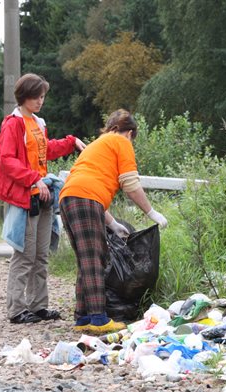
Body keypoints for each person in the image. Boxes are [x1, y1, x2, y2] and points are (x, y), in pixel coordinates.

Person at [0, 73, 86, 324]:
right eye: (36, 96)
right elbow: (7, 160)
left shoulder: (37, 123)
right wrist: (33, 178)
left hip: (42, 196)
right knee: (24, 255)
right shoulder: (13, 123)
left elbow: (46, 150)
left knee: (41, 254)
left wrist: (71, 142)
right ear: (24, 96)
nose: (40, 101)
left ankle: (38, 305)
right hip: (24, 197)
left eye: (42, 96)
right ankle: (16, 309)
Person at [59, 109, 168, 335]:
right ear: (127, 132)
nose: (131, 142)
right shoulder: (121, 142)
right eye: (132, 137)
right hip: (85, 198)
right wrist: (151, 212)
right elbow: (130, 184)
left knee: (86, 258)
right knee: (96, 259)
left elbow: (93, 183)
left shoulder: (98, 145)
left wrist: (111, 223)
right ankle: (99, 319)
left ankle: (83, 317)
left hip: (70, 197)